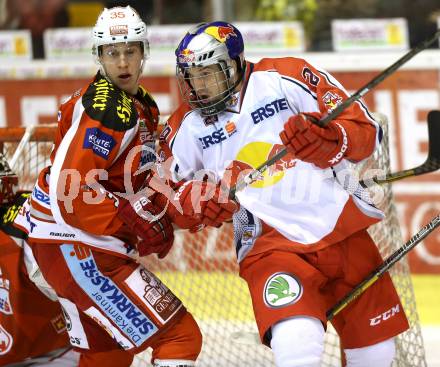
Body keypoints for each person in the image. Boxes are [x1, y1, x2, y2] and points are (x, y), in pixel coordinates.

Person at [158, 21, 409, 367]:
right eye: (191, 76)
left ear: (234, 64)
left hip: (342, 230)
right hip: (268, 244)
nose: (198, 87)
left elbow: (365, 129)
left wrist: (333, 140)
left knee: (378, 353)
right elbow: (164, 194)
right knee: (296, 343)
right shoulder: (186, 125)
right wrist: (196, 201)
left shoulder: (287, 75)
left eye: (208, 73)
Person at [26, 6, 202, 367]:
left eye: (130, 51)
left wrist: (167, 210)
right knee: (180, 335)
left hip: (68, 244)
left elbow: (141, 180)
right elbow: (68, 191)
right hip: (76, 245)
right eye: (112, 52)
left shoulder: (139, 105)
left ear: (143, 53)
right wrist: (129, 220)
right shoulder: (109, 109)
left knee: (106, 355)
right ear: (99, 56)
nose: (122, 61)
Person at [0, 154, 134, 366]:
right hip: (41, 351)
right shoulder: (30, 219)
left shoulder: (27, 225)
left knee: (107, 335)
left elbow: (97, 303)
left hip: (54, 354)